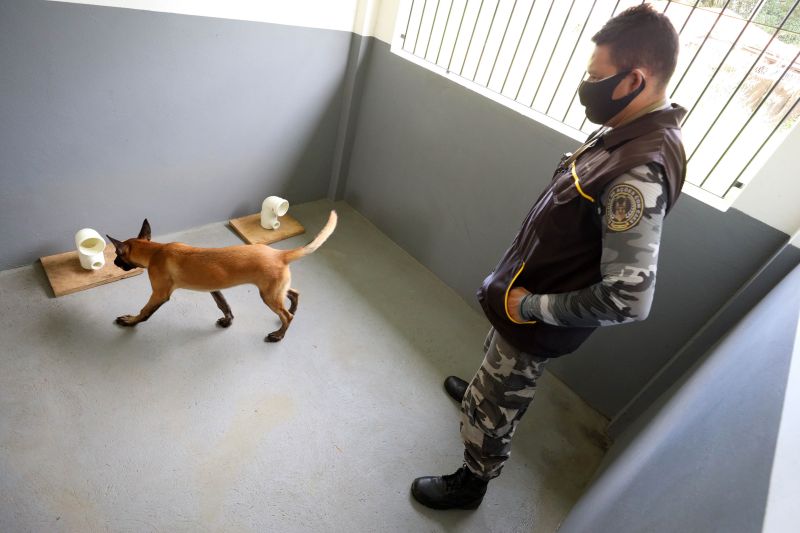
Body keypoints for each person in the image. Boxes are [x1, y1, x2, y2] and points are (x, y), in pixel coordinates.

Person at [411, 4, 687, 510]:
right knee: (493, 370)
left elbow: (629, 298)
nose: (587, 84)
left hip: (534, 316)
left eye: (596, 76)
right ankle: (481, 390)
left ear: (635, 79)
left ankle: (471, 480)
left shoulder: (640, 171)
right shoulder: (628, 131)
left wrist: (530, 306)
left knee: (499, 401)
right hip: (523, 294)